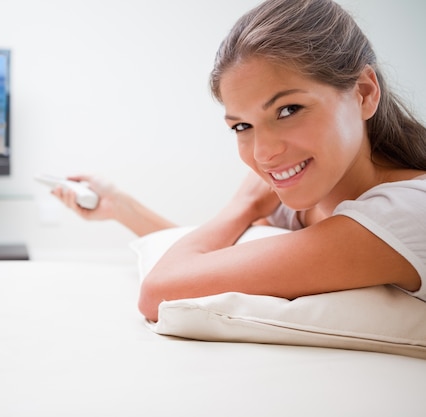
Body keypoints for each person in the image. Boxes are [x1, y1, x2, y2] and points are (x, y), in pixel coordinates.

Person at [53, 0, 426, 322]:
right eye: (242, 126)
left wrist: (245, 203)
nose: (263, 154)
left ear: (363, 93)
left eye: (288, 109)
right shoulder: (314, 198)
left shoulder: (407, 211)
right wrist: (121, 207)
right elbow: (215, 268)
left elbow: (162, 290)